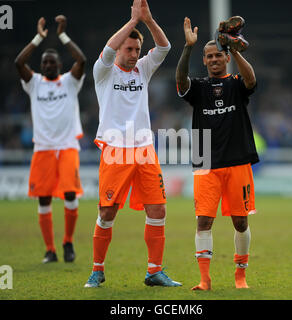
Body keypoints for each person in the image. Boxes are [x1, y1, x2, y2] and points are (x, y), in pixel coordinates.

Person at [84, 0, 181, 288]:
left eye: (137, 50)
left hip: (144, 150)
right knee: (107, 212)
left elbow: (164, 48)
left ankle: (154, 271)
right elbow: (108, 49)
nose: (134, 54)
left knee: (158, 210)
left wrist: (147, 20)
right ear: (118, 51)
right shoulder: (104, 73)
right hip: (115, 150)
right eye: (129, 49)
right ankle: (97, 270)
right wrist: (132, 22)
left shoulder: (143, 70)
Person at [176, 17, 259, 290]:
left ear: (225, 59)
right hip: (204, 160)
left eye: (217, 55)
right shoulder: (198, 88)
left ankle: (240, 275)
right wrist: (188, 48)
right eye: (208, 56)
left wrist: (234, 48)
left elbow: (251, 80)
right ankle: (204, 279)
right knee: (204, 220)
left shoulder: (235, 83)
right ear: (204, 60)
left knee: (240, 221)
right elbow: (180, 81)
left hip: (237, 160)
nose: (213, 60)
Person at [15, 15, 86, 263]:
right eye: (44, 62)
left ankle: (68, 243)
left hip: (67, 147)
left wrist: (63, 35)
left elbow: (82, 60)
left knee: (69, 195)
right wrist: (39, 38)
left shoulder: (70, 82)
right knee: (43, 198)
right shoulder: (34, 83)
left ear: (58, 64)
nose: (47, 65)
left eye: (51, 62)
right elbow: (19, 62)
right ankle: (50, 249)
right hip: (43, 149)